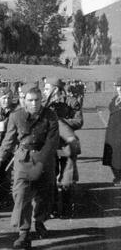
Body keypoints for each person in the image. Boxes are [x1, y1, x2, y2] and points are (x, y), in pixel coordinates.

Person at [0, 87, 59, 249]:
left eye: (37, 100)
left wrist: (41, 163)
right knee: (21, 195)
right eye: (30, 100)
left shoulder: (50, 115)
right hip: (23, 159)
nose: (34, 104)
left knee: (43, 195)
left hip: (44, 160)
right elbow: (8, 140)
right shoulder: (16, 116)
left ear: (41, 100)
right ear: (24, 101)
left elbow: (52, 142)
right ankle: (24, 232)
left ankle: (40, 221)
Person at [44, 77, 83, 218]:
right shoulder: (43, 103)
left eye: (47, 88)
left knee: (67, 179)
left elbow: (79, 121)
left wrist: (60, 122)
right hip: (50, 144)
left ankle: (66, 209)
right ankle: (52, 207)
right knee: (50, 177)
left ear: (55, 89)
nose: (44, 91)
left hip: (66, 144)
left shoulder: (71, 102)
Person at [103, 77, 121, 187]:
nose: (119, 89)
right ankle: (118, 177)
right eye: (118, 87)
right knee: (111, 156)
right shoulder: (115, 99)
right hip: (112, 132)